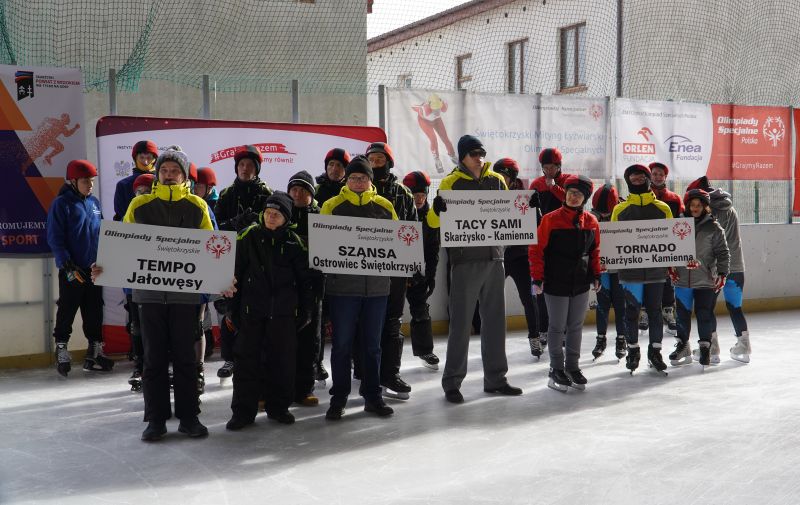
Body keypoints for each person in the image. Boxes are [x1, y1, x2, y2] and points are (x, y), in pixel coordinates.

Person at [118, 146, 214, 441]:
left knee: (187, 359)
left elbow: (212, 251)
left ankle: (189, 417)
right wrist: (107, 267)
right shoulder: (140, 205)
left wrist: (217, 283)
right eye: (164, 171)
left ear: (185, 175)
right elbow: (123, 246)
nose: (169, 175)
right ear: (157, 174)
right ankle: (156, 419)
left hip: (185, 296)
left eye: (175, 171)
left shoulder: (198, 206)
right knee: (154, 359)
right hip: (148, 295)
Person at [428, 135, 522, 403]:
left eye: (481, 153)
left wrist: (528, 210)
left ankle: (496, 379)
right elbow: (435, 223)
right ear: (462, 157)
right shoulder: (450, 183)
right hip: (464, 261)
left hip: (495, 260)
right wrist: (436, 210)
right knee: (460, 324)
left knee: (495, 323)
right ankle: (452, 383)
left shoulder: (498, 180)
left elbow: (510, 215)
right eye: (472, 154)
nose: (478, 158)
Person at [221, 192, 313, 429]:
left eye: (277, 214)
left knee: (282, 363)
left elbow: (305, 282)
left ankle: (279, 407)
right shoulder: (248, 237)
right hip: (251, 313)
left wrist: (306, 310)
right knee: (246, 364)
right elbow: (234, 275)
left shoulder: (295, 242)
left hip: (283, 315)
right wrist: (231, 310)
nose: (271, 218)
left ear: (286, 218)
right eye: (268, 213)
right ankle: (242, 412)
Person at [321, 156, 398, 420]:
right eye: (353, 177)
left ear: (370, 180)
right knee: (342, 345)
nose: (358, 182)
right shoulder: (332, 206)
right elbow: (323, 247)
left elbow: (398, 245)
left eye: (363, 178)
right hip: (343, 289)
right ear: (346, 179)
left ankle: (373, 396)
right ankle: (339, 397)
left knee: (373, 346)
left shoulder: (385, 206)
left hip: (377, 289)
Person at [529, 175, 600, 391]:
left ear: (585, 198)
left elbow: (595, 252)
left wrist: (596, 275)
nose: (573, 197)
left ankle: (573, 366)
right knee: (557, 326)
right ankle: (556, 368)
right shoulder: (551, 219)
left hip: (579, 282)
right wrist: (537, 278)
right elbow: (536, 250)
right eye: (570, 192)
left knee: (576, 326)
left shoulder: (591, 221)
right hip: (555, 281)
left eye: (578, 194)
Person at [46, 160, 113, 377]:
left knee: (94, 310)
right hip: (72, 269)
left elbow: (102, 233)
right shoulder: (62, 203)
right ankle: (62, 348)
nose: (90, 185)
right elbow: (54, 236)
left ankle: (94, 350)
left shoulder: (94, 203)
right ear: (73, 181)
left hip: (93, 269)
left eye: (92, 181)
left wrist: (105, 258)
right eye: (85, 181)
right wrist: (65, 261)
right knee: (68, 308)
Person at [214, 145, 273, 381]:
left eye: (250, 165)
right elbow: (216, 226)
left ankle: (258, 354)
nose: (245, 169)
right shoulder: (227, 193)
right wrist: (236, 221)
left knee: (257, 309)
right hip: (231, 260)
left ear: (256, 169)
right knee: (230, 309)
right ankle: (229, 357)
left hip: (258, 262)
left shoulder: (266, 193)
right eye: (241, 165)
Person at [365, 142, 418, 400]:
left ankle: (390, 373)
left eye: (379, 159)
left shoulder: (403, 194)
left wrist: (414, 267)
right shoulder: (360, 190)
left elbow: (412, 231)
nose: (375, 164)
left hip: (395, 269)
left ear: (389, 161)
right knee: (366, 322)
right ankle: (367, 373)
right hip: (365, 268)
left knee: (392, 322)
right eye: (371, 160)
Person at [611, 164, 673, 374]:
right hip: (630, 273)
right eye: (633, 179)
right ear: (628, 182)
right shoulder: (619, 210)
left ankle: (655, 351)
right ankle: (633, 350)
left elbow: (672, 242)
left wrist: (673, 265)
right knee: (632, 312)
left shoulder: (663, 209)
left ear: (648, 180)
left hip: (656, 272)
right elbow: (613, 243)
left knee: (655, 311)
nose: (637, 181)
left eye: (641, 178)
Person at [687, 176, 750, 363]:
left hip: (715, 270)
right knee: (735, 307)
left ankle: (713, 348)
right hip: (737, 267)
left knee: (707, 308)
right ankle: (744, 345)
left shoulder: (708, 212)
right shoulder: (731, 208)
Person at [668, 189, 729, 368]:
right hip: (682, 280)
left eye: (699, 205)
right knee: (682, 314)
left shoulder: (714, 227)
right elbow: (668, 250)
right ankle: (683, 346)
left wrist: (723, 273)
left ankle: (704, 348)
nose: (695, 208)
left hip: (705, 279)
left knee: (704, 314)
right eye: (692, 205)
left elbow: (723, 253)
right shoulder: (676, 224)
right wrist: (670, 267)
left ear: (705, 207)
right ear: (687, 206)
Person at [493, 158, 542, 358]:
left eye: (504, 176)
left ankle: (535, 337)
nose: (500, 179)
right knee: (492, 300)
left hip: (520, 256)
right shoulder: (489, 193)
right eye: (498, 175)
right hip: (497, 256)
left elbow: (538, 225)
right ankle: (493, 340)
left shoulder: (523, 195)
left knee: (529, 299)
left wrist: (536, 209)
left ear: (512, 178)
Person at [285, 170, 324, 407]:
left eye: (303, 190)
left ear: (311, 193)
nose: (297, 194)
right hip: (285, 289)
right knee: (283, 341)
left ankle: (305, 388)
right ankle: (281, 386)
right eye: (294, 189)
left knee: (310, 340)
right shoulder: (281, 214)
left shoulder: (321, 217)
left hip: (313, 289)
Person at [313, 148, 351, 383]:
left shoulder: (352, 191)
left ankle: (352, 360)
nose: (334, 169)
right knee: (320, 316)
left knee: (346, 317)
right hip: (322, 262)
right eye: (331, 165)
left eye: (339, 165)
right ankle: (317, 362)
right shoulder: (316, 191)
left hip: (348, 262)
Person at [529, 148, 571, 350]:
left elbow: (572, 201)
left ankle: (562, 330)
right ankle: (543, 329)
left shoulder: (568, 181)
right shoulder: (536, 184)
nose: (549, 171)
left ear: (559, 166)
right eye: (545, 168)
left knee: (561, 288)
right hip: (543, 238)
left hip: (564, 239)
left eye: (552, 167)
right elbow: (528, 211)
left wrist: (554, 187)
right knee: (541, 286)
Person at [402, 170, 440, 369]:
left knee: (421, 311)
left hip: (420, 273)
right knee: (391, 317)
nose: (419, 199)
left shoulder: (431, 216)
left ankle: (425, 350)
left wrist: (430, 275)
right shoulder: (398, 211)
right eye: (415, 195)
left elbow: (433, 248)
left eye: (422, 195)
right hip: (398, 272)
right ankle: (389, 357)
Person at [641, 161, 684, 338]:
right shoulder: (643, 196)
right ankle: (644, 311)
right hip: (647, 245)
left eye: (661, 174)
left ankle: (668, 310)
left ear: (665, 177)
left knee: (668, 277)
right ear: (650, 176)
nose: (657, 177)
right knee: (645, 276)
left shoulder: (674, 198)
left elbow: (681, 220)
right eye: (654, 173)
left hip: (667, 246)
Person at [588, 183, 627, 361]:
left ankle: (621, 339)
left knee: (620, 304)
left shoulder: (624, 212)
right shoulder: (590, 216)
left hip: (620, 268)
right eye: (600, 211)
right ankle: (601, 339)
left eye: (607, 212)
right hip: (602, 268)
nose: (603, 215)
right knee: (602, 303)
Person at [126, 173, 156, 392]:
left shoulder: (158, 214)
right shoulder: (131, 212)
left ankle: (159, 366)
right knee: (137, 327)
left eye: (148, 190)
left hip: (158, 284)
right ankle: (139, 366)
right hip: (135, 284)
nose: (143, 194)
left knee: (155, 328)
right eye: (139, 191)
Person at [194, 166, 220, 360]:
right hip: (194, 264)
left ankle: (219, 343)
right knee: (200, 309)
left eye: (199, 186)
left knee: (217, 304)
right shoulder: (192, 203)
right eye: (194, 185)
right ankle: (208, 339)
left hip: (214, 260)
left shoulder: (213, 205)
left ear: (209, 187)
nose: (195, 189)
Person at [113, 140, 158, 221]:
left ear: (154, 159)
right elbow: (120, 214)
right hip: (131, 231)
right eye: (141, 157)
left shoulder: (162, 183)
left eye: (149, 157)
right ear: (135, 158)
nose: (145, 162)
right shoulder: (123, 185)